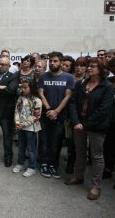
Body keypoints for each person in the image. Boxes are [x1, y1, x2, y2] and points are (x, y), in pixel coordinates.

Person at [65, 57, 114, 200]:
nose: (89, 68)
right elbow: (73, 103)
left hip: (96, 126)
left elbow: (104, 109)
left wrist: (85, 124)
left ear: (102, 69)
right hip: (78, 124)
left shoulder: (107, 86)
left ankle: (95, 186)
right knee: (80, 151)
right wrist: (76, 121)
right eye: (89, 66)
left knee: (96, 156)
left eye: (93, 66)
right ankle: (78, 176)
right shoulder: (81, 83)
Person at [38, 51, 75, 179]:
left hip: (60, 116)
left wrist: (56, 111)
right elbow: (41, 94)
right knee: (44, 141)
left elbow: (68, 96)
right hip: (45, 115)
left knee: (56, 142)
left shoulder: (68, 77)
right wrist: (49, 110)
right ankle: (43, 163)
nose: (52, 63)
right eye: (51, 61)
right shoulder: (44, 76)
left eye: (55, 61)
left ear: (61, 62)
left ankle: (53, 164)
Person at [12, 80, 42, 177]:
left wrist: (24, 124)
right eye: (22, 87)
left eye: (25, 87)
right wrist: (17, 122)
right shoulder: (21, 98)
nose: (23, 89)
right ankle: (20, 163)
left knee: (31, 148)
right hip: (20, 126)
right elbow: (17, 110)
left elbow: (36, 116)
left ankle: (32, 167)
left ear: (31, 88)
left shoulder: (37, 100)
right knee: (21, 146)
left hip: (31, 128)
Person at [103, 56, 115, 182]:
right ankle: (108, 169)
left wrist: (114, 98)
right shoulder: (108, 81)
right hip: (108, 121)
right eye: (113, 71)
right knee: (108, 148)